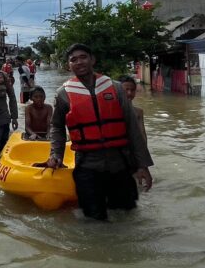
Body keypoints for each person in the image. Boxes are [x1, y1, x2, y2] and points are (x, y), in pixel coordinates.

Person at [46, 43, 154, 221]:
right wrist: (56, 155)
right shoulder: (63, 94)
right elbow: (57, 127)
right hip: (87, 165)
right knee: (94, 220)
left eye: (83, 57)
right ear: (68, 65)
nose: (79, 62)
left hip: (120, 163)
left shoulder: (116, 87)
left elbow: (132, 128)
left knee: (127, 215)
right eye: (74, 59)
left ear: (92, 60)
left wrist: (142, 165)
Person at [119, 75, 147, 144]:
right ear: (118, 90)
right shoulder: (110, 110)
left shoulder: (138, 112)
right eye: (126, 89)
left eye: (132, 90)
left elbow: (142, 136)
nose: (129, 93)